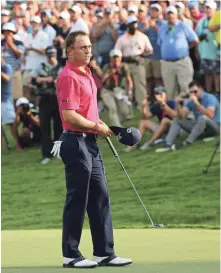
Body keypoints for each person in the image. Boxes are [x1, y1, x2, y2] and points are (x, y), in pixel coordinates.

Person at [54, 31, 132, 268]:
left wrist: (98, 127)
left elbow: (88, 112)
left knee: (100, 196)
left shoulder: (87, 73)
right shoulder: (68, 76)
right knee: (78, 198)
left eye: (89, 47)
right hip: (75, 141)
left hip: (89, 142)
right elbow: (69, 116)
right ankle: (71, 254)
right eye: (82, 47)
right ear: (69, 51)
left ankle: (104, 252)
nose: (88, 51)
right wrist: (96, 127)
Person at [156, 81, 220, 153]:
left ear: (201, 89)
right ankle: (168, 144)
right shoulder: (190, 101)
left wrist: (197, 103)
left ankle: (188, 141)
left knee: (202, 118)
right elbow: (181, 116)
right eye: (191, 92)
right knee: (177, 120)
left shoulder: (210, 98)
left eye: (195, 91)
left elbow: (210, 115)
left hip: (215, 127)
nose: (193, 94)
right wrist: (177, 104)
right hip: (200, 129)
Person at [158, 6, 199, 99]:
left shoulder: (183, 26)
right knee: (169, 90)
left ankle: (187, 111)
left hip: (182, 61)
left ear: (176, 15)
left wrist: (186, 48)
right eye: (168, 14)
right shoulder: (162, 28)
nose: (170, 16)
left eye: (172, 13)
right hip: (167, 63)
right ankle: (172, 112)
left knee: (186, 88)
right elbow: (160, 43)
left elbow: (195, 40)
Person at [30, 46, 62, 164]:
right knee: (45, 127)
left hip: (57, 99)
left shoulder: (61, 66)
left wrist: (54, 79)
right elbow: (33, 79)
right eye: (50, 56)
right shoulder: (41, 66)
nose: (51, 58)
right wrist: (44, 79)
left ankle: (58, 152)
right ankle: (46, 154)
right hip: (44, 99)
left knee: (59, 127)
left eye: (53, 56)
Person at [115, 15, 153, 108]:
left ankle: (142, 106)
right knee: (126, 85)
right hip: (126, 63)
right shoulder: (122, 38)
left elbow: (150, 51)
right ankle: (127, 107)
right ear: (128, 25)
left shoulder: (142, 37)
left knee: (140, 85)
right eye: (131, 24)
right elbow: (117, 52)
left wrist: (141, 55)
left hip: (138, 63)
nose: (133, 26)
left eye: (135, 23)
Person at [125, 86, 176, 152]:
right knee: (143, 122)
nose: (159, 96)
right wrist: (144, 107)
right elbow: (144, 118)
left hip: (173, 127)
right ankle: (133, 144)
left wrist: (163, 103)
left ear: (166, 94)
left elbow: (174, 115)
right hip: (162, 128)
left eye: (161, 94)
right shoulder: (156, 106)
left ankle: (150, 143)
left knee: (165, 120)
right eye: (157, 94)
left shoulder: (172, 103)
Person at [101, 48, 133, 127]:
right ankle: (118, 128)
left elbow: (129, 80)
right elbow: (102, 80)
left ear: (120, 58)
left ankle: (116, 122)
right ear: (110, 58)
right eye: (114, 57)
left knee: (125, 113)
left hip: (119, 90)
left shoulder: (123, 67)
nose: (116, 59)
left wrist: (130, 92)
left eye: (117, 57)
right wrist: (109, 74)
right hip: (107, 91)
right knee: (112, 109)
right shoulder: (107, 66)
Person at [23, 16, 48, 100]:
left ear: (39, 24)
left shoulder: (44, 35)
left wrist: (32, 48)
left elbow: (45, 51)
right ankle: (28, 107)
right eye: (32, 22)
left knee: (38, 89)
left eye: (36, 23)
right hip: (29, 66)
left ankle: (37, 109)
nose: (34, 24)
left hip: (39, 66)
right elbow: (25, 51)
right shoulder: (28, 36)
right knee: (26, 87)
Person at [195, 1, 218, 93]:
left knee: (216, 74)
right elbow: (196, 37)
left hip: (216, 52)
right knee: (207, 74)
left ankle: (217, 93)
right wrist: (197, 50)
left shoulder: (218, 21)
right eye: (206, 8)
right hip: (204, 53)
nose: (208, 10)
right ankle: (209, 92)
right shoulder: (201, 22)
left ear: (215, 10)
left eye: (210, 8)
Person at [143, 3, 164, 95]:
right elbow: (138, 34)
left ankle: (158, 97)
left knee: (158, 78)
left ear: (159, 12)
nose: (154, 12)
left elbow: (164, 35)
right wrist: (146, 26)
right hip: (147, 56)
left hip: (158, 55)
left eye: (156, 10)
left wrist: (155, 26)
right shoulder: (144, 22)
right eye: (152, 10)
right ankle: (147, 98)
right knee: (147, 79)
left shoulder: (163, 23)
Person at [1, 56, 21, 150]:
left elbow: (7, 78)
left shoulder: (6, 67)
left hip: (5, 100)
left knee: (11, 123)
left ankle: (18, 144)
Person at [1, 22, 25, 102]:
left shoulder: (18, 43)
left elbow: (19, 54)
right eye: (5, 32)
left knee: (16, 97)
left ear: (13, 33)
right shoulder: (1, 43)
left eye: (9, 32)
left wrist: (11, 44)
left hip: (15, 72)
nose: (7, 34)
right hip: (3, 74)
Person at [208, 9, 220, 98]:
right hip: (220, 47)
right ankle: (218, 93)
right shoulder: (218, 14)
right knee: (217, 72)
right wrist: (219, 25)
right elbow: (210, 28)